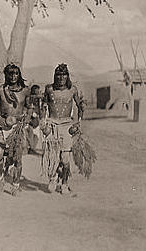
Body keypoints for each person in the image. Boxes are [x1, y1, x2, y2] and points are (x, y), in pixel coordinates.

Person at [42, 64, 85, 195]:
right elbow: (44, 107)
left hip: (67, 126)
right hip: (52, 125)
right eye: (59, 75)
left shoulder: (73, 90)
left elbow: (80, 105)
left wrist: (79, 123)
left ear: (67, 76)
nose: (61, 78)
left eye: (64, 75)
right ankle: (53, 178)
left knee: (65, 159)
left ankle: (65, 183)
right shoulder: (49, 89)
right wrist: (43, 123)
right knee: (52, 156)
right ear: (55, 76)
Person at [0, 64, 31, 196]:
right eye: (10, 74)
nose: (13, 76)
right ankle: (0, 181)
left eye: (16, 74)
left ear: (19, 75)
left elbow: (29, 108)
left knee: (17, 159)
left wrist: (27, 119)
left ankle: (15, 186)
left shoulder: (25, 91)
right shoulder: (0, 90)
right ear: (6, 75)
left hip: (17, 127)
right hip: (2, 126)